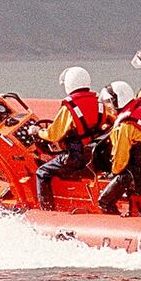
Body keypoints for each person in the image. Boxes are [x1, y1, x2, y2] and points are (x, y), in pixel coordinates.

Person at [31, 66, 114, 210]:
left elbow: (53, 135)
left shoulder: (69, 108)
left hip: (77, 159)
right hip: (97, 156)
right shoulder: (100, 103)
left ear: (69, 84)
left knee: (42, 172)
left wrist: (37, 131)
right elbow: (112, 122)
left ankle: (47, 210)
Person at [97, 83, 141, 215]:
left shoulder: (125, 126)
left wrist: (112, 174)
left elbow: (120, 161)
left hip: (138, 173)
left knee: (103, 201)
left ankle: (115, 225)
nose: (108, 106)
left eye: (109, 103)